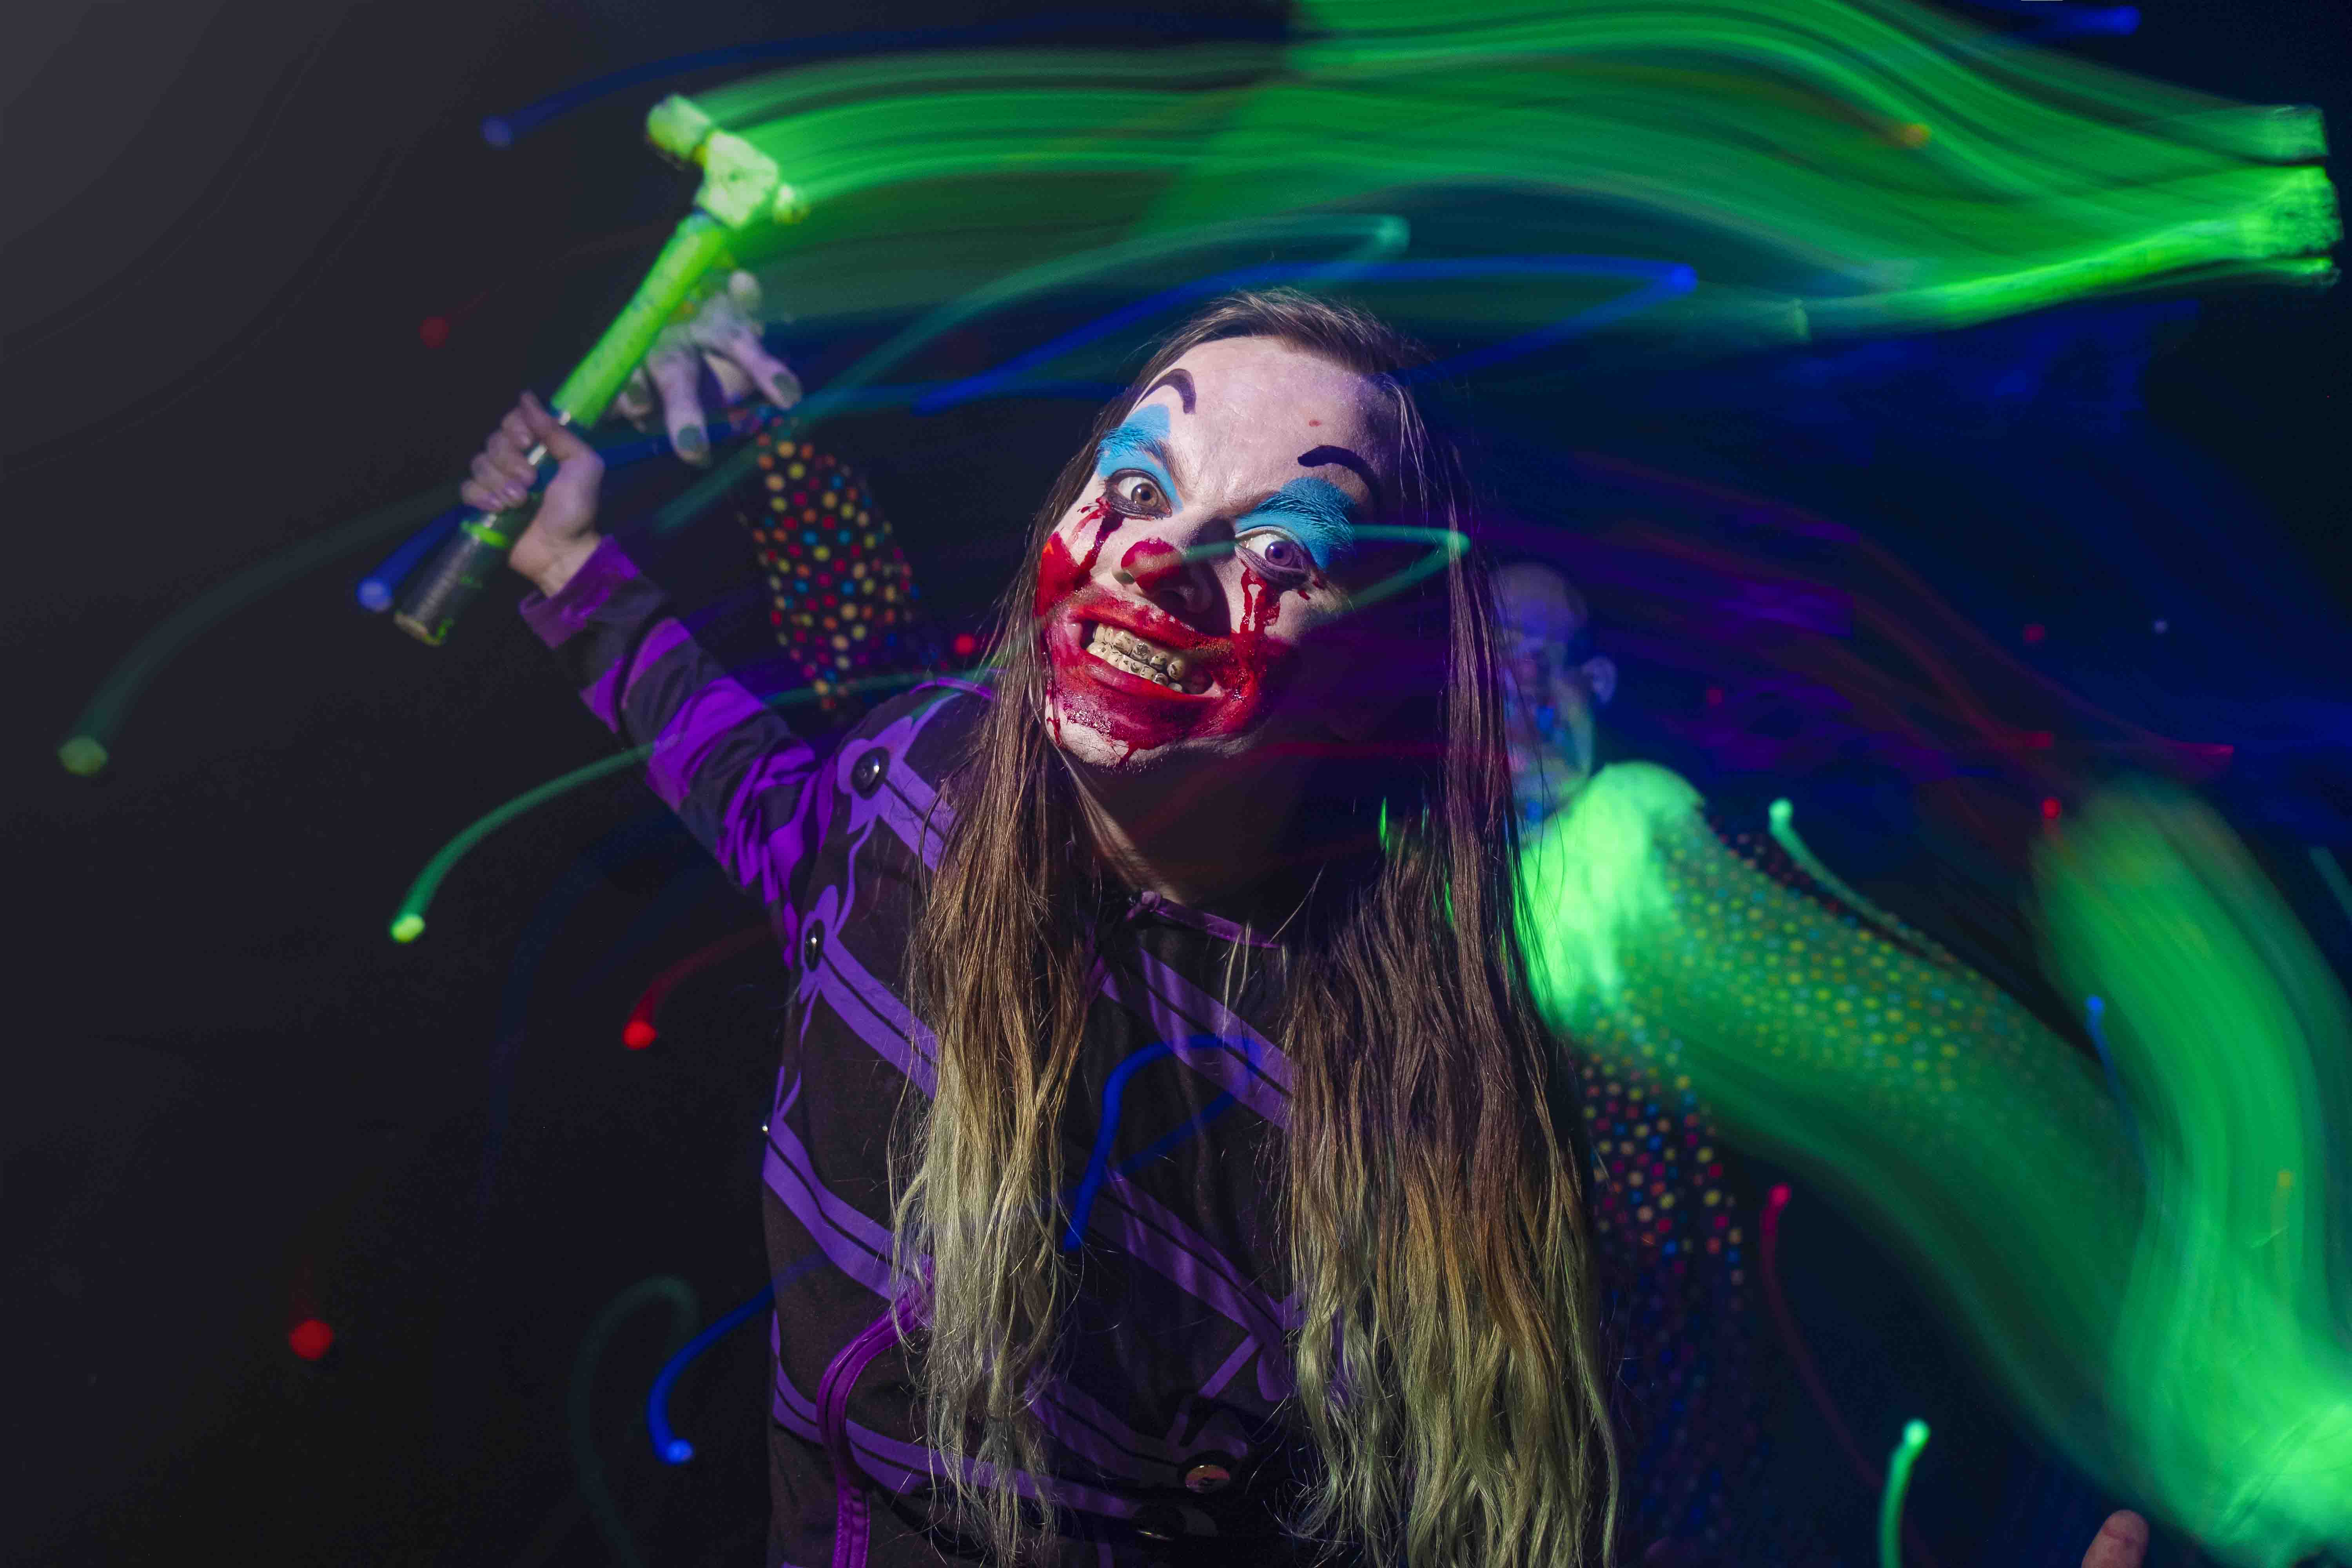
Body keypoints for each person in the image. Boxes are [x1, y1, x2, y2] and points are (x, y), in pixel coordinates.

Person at [464, 290, 2156, 1568]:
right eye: (1138, 476)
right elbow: (765, 788)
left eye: (1282, 539)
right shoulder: (928, 790)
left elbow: (1628, 1466)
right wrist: (580, 566)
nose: (1157, 559)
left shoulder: (1438, 1099)